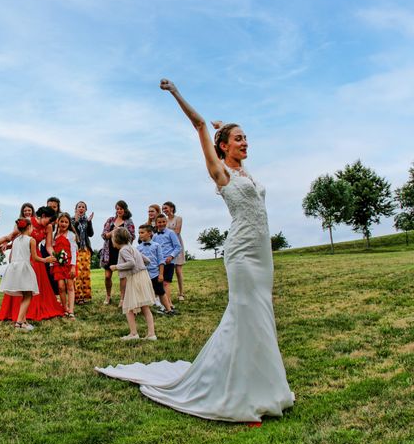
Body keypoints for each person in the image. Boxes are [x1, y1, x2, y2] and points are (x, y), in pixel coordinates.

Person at [96, 79, 294, 423]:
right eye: (238, 138)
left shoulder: (245, 172)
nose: (245, 142)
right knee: (244, 312)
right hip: (242, 252)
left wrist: (226, 124)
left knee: (261, 313)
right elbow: (199, 124)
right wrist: (176, 94)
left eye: (246, 137)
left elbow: (226, 143)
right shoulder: (220, 173)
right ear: (222, 145)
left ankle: (267, 389)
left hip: (263, 254)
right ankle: (237, 395)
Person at [0, 206, 65, 322]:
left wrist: (56, 256)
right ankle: (20, 313)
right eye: (50, 220)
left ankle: (32, 309)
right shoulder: (28, 222)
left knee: (35, 284)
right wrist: (6, 245)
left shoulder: (48, 227)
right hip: (24, 255)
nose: (50, 224)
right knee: (22, 284)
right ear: (43, 216)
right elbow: (14, 236)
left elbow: (48, 246)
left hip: (36, 257)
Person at [0, 218, 56, 331]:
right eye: (32, 228)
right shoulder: (31, 240)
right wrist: (46, 260)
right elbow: (34, 258)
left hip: (14, 269)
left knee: (24, 295)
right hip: (24, 268)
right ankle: (19, 323)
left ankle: (23, 321)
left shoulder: (15, 240)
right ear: (29, 227)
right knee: (28, 295)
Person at [109, 227, 157, 341]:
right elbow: (147, 261)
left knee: (128, 307)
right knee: (145, 307)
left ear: (117, 239)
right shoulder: (132, 248)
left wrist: (116, 267)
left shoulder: (123, 250)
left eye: (112, 238)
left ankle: (133, 334)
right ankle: (151, 334)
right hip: (143, 276)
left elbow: (131, 263)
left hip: (135, 278)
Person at [100, 200, 135, 305]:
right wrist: (112, 232)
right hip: (109, 251)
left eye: (121, 208)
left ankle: (122, 299)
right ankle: (108, 296)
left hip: (122, 251)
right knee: (107, 276)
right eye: (117, 209)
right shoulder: (110, 220)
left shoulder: (129, 221)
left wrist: (121, 231)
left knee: (122, 276)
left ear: (125, 209)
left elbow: (132, 236)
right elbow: (103, 235)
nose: (119, 211)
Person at [137, 224, 174, 315]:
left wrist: (161, 274)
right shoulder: (138, 248)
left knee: (161, 292)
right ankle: (145, 311)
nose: (140, 235)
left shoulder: (157, 245)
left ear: (149, 233)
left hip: (155, 274)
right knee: (144, 293)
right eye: (139, 233)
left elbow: (161, 261)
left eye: (142, 232)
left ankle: (168, 309)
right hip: (144, 275)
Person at [152, 213, 181, 312]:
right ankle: (162, 303)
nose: (161, 224)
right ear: (156, 223)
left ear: (166, 222)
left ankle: (169, 304)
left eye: (163, 221)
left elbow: (178, 247)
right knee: (159, 283)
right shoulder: (154, 236)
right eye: (159, 222)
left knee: (166, 283)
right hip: (159, 264)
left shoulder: (171, 233)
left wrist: (171, 256)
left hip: (169, 262)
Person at [53, 212, 78, 319]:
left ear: (69, 224)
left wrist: (73, 266)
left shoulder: (71, 235)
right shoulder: (54, 234)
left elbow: (73, 251)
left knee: (70, 286)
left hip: (69, 263)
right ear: (57, 222)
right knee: (61, 287)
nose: (63, 224)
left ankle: (71, 310)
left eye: (66, 222)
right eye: (61, 221)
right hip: (58, 264)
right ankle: (65, 308)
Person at [72, 201, 94, 304]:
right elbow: (72, 234)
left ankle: (86, 296)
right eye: (79, 207)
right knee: (78, 273)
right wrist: (76, 222)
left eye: (83, 207)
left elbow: (91, 234)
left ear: (85, 209)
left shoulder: (87, 220)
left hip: (85, 249)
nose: (81, 208)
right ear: (76, 209)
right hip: (76, 249)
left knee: (86, 273)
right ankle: (78, 297)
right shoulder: (71, 220)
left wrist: (89, 222)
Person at [163, 201, 186, 302]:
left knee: (178, 270)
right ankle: (166, 294)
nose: (164, 210)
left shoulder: (178, 218)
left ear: (172, 208)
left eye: (166, 208)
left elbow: (177, 231)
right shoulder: (164, 220)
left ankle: (181, 293)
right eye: (163, 209)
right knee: (168, 271)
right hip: (167, 247)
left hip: (176, 245)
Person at [44, 197, 62, 295]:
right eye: (49, 206)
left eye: (54, 207)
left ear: (58, 207)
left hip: (57, 246)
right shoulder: (42, 216)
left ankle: (57, 294)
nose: (51, 208)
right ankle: (47, 295)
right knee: (46, 271)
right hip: (44, 245)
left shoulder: (61, 218)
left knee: (56, 271)